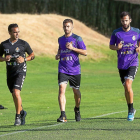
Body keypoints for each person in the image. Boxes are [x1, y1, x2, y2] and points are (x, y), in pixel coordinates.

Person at [0, 24, 35, 125]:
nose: (17, 34)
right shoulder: (4, 44)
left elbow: (32, 55)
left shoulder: (23, 44)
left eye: (18, 32)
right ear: (10, 33)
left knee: (16, 92)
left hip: (20, 71)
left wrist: (24, 59)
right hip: (10, 72)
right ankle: (23, 112)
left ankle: (17, 117)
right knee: (14, 95)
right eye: (15, 32)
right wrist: (4, 59)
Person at [109, 11, 140, 121]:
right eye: (123, 20)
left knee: (128, 85)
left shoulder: (136, 32)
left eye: (126, 20)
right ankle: (131, 108)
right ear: (121, 21)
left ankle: (130, 111)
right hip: (121, 64)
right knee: (126, 89)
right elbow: (111, 46)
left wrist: (139, 48)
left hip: (133, 62)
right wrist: (117, 48)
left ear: (130, 20)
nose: (125, 22)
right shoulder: (116, 33)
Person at [55, 19, 87, 122]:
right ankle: (63, 115)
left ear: (72, 27)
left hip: (75, 70)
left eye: (68, 26)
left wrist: (73, 48)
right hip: (63, 68)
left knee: (76, 91)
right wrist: (58, 54)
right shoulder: (60, 39)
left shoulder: (77, 38)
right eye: (64, 26)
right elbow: (60, 49)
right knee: (61, 89)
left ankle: (77, 109)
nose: (66, 28)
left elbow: (85, 52)